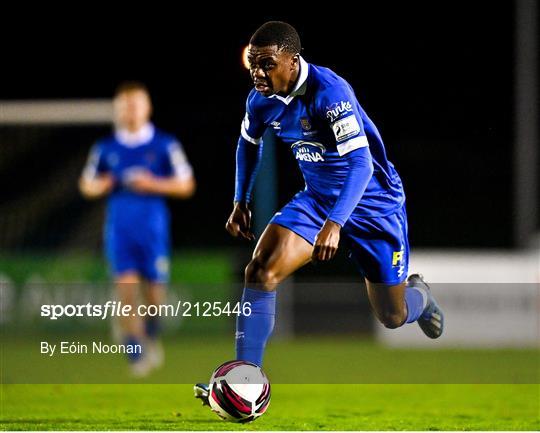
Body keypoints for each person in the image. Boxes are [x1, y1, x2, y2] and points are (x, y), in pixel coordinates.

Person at [194, 21, 443, 403]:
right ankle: (246, 379)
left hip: (374, 206)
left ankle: (420, 297)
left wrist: (336, 224)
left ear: (292, 61)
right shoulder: (260, 99)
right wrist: (239, 199)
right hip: (317, 201)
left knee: (392, 317)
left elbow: (361, 165)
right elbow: (248, 143)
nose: (258, 74)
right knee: (260, 270)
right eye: (253, 64)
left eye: (267, 64)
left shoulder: (330, 93)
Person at [80, 81, 196, 376]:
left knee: (156, 297)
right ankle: (135, 353)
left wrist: (152, 183)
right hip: (120, 231)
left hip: (153, 232)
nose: (130, 111)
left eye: (136, 105)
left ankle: (151, 335)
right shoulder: (105, 148)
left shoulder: (164, 145)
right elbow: (86, 184)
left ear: (147, 108)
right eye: (125, 106)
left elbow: (186, 184)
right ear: (118, 111)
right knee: (127, 293)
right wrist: (101, 185)